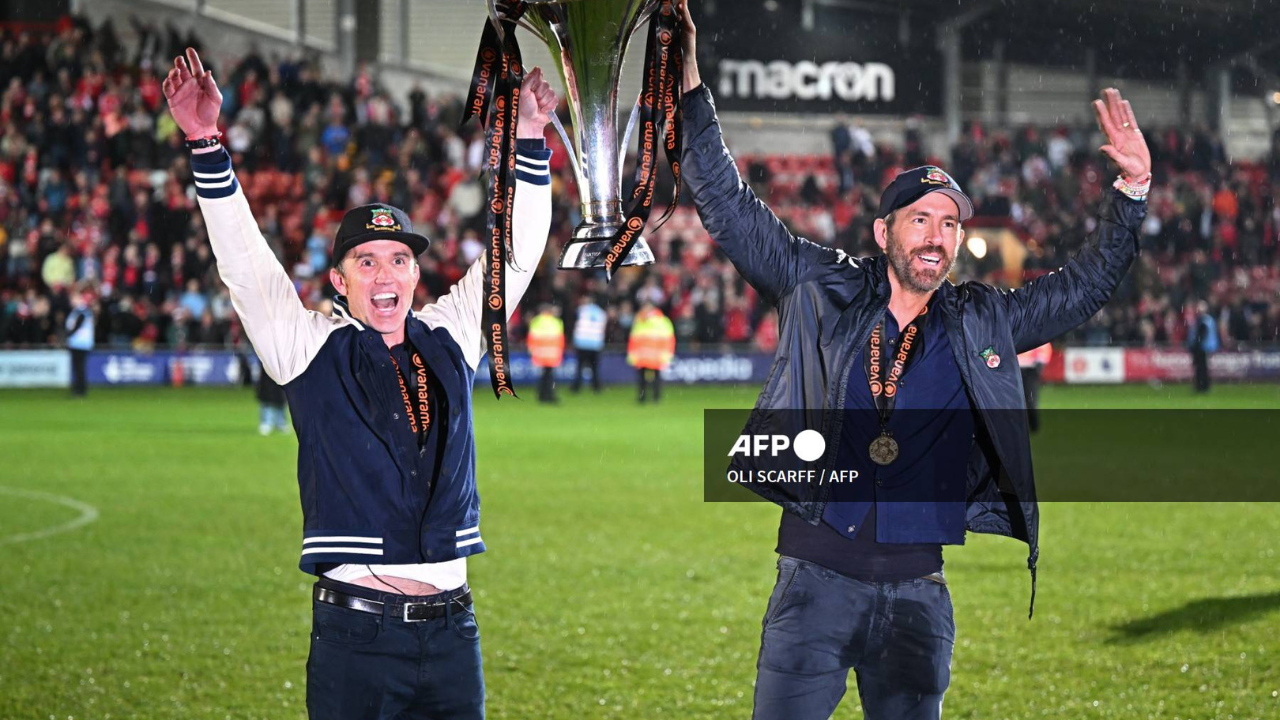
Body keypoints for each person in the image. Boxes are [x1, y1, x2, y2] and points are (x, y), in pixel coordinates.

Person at [675, 3, 1151, 719]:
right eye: (921, 218)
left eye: (951, 222)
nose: (938, 236)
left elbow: (1082, 291)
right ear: (884, 229)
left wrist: (1132, 194)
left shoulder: (980, 318)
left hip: (919, 598)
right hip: (814, 586)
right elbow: (729, 207)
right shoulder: (822, 286)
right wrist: (687, 82)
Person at [164, 48, 558, 720]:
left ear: (414, 275)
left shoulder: (451, 335)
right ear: (340, 281)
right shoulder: (309, 347)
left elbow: (516, 255)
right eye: (366, 260)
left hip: (455, 631)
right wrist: (206, 145)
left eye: (400, 259)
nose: (386, 273)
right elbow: (248, 268)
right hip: (358, 637)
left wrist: (528, 142)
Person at [627, 302, 675, 403]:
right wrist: (632, 353)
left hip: (654, 355)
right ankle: (646, 397)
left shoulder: (659, 321)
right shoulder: (641, 320)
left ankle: (652, 397)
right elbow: (634, 339)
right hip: (644, 355)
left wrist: (667, 354)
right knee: (644, 378)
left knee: (653, 378)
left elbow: (668, 339)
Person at [527, 304, 565, 404]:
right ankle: (549, 396)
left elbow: (531, 338)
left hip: (540, 353)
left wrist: (532, 351)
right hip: (552, 354)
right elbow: (560, 340)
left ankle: (541, 395)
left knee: (544, 375)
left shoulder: (536, 321)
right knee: (549, 376)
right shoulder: (556, 322)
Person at [571, 296, 606, 394]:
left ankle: (576, 387)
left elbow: (575, 322)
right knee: (594, 368)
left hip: (582, 343)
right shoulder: (601, 313)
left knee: (580, 367)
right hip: (595, 343)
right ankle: (596, 387)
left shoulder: (582, 310)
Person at [1017, 343, 1053, 432]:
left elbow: (1044, 348)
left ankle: (1033, 425)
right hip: (1016, 368)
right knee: (1019, 400)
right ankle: (1024, 425)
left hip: (1029, 370)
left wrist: (1040, 363)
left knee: (1030, 399)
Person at [65, 289, 94, 397]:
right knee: (78, 368)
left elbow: (77, 325)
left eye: (73, 298)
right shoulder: (78, 311)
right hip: (76, 343)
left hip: (80, 343)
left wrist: (67, 335)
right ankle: (79, 388)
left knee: (79, 368)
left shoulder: (82, 311)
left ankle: (81, 390)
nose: (71, 301)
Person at [1188, 300, 1218, 393]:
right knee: (1204, 368)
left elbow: (1200, 335)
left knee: (1201, 368)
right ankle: (1204, 386)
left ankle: (1201, 386)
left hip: (1202, 347)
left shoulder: (1202, 320)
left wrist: (1195, 345)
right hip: (1207, 347)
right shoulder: (1209, 319)